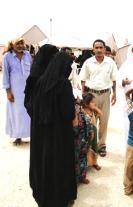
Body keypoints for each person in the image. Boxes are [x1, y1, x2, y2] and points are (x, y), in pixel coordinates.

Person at [29, 52, 77, 206]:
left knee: (44, 163)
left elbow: (31, 107)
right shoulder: (63, 84)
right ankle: (60, 198)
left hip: (41, 134)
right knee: (60, 164)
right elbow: (68, 113)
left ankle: (43, 196)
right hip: (60, 135)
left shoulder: (40, 82)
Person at [79, 39, 118, 157]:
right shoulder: (88, 62)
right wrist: (84, 95)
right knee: (91, 121)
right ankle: (91, 146)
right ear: (93, 49)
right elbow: (83, 80)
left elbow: (114, 79)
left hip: (106, 94)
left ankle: (102, 146)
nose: (99, 50)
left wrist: (114, 94)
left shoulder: (110, 62)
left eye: (101, 47)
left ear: (105, 49)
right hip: (92, 95)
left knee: (104, 121)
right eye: (97, 48)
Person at [2, 38, 32, 145]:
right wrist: (8, 92)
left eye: (21, 43)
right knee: (16, 113)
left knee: (28, 112)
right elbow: (5, 75)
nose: (20, 46)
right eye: (17, 43)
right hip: (15, 91)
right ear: (12, 45)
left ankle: (29, 134)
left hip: (28, 90)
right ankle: (17, 136)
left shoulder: (28, 55)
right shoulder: (7, 57)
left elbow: (32, 72)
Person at [25, 44, 59, 115]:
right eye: (52, 56)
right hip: (38, 113)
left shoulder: (53, 71)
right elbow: (28, 99)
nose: (53, 58)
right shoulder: (35, 75)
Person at [80, 93, 102, 171]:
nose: (95, 103)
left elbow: (100, 113)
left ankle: (94, 162)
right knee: (86, 148)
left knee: (94, 147)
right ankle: (85, 165)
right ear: (86, 103)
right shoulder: (82, 112)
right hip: (86, 135)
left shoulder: (92, 111)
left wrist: (95, 108)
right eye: (92, 102)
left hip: (94, 134)